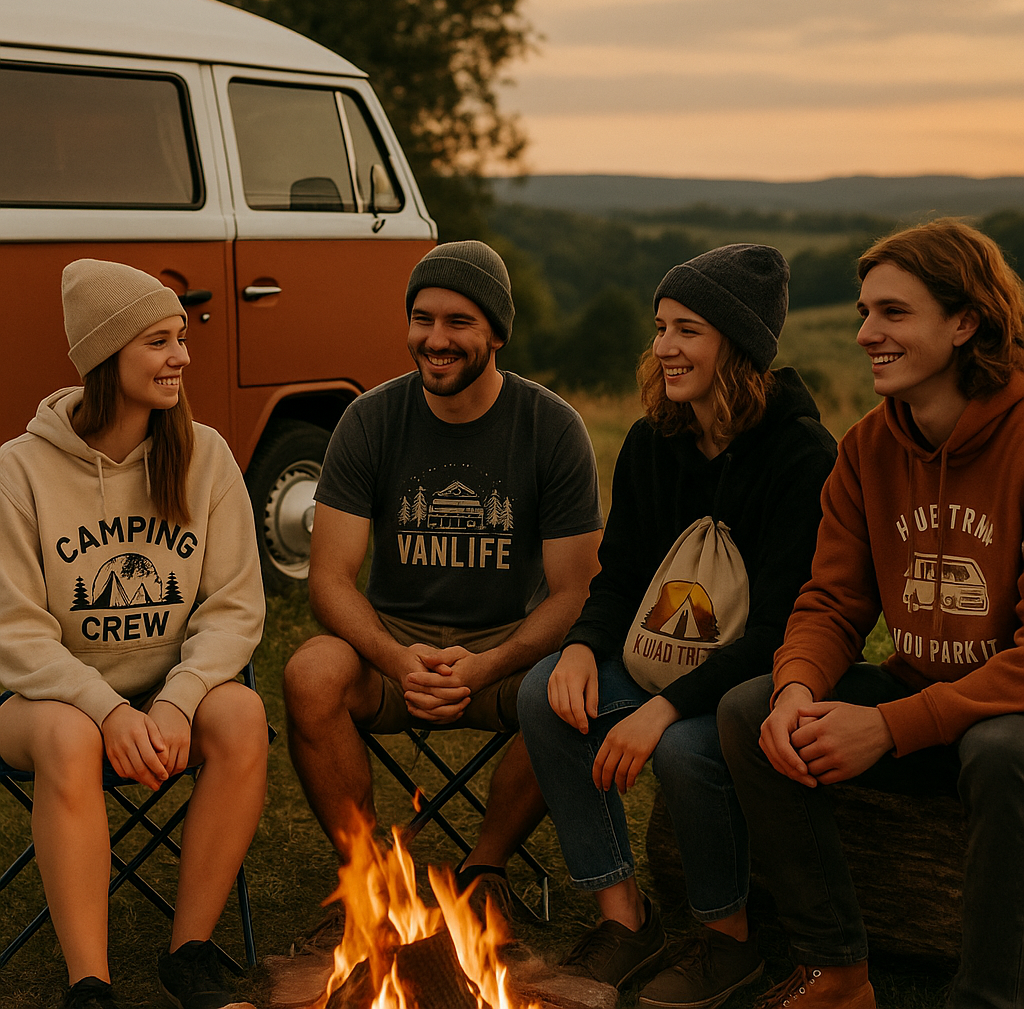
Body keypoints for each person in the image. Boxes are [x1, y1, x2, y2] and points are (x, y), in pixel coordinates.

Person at [517, 244, 837, 1005]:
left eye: (688, 330)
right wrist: (582, 647)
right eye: (660, 327)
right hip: (655, 655)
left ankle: (730, 943)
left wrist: (661, 710)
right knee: (543, 695)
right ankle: (625, 919)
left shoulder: (802, 455)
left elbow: (779, 628)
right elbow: (621, 575)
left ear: (739, 345)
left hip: (751, 675)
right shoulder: (650, 443)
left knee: (688, 747)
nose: (664, 347)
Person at [718, 219, 1024, 1008]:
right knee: (750, 709)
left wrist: (888, 727)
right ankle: (837, 970)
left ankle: (987, 997)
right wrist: (795, 689)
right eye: (864, 312)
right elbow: (832, 600)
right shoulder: (866, 449)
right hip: (924, 697)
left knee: (999, 750)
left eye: (893, 312)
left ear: (965, 322)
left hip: (1006, 719)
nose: (865, 334)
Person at [283, 240, 603, 912]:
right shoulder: (370, 419)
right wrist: (396, 658)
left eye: (459, 321)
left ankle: (486, 866)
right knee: (311, 673)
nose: (435, 339)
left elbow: (576, 592)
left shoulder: (550, 427)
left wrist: (487, 666)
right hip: (392, 646)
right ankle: (368, 878)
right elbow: (330, 580)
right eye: (422, 319)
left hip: (506, 648)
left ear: (497, 332)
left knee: (571, 686)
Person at [0, 260, 268, 1009]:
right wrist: (105, 709)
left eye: (180, 337)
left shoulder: (205, 456)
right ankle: (90, 985)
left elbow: (234, 606)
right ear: (104, 357)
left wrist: (178, 699)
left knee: (242, 714)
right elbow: (14, 630)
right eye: (158, 341)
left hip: (165, 699)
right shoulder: (18, 471)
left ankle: (189, 954)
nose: (181, 356)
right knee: (68, 737)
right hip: (46, 705)